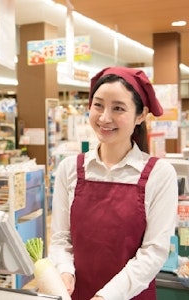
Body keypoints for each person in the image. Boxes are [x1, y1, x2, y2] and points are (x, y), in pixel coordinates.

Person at [48, 66, 178, 300]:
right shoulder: (70, 169)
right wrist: (64, 272)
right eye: (98, 105)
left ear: (140, 115)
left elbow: (153, 252)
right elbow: (60, 239)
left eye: (118, 108)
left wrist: (106, 296)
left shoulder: (159, 175)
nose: (105, 118)